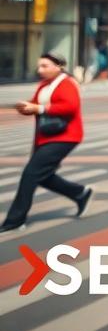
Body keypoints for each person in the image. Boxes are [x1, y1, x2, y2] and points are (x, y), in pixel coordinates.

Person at [1, 53, 94, 232]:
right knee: (42, 175)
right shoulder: (45, 84)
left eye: (45, 66)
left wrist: (40, 108)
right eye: (39, 66)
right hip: (46, 136)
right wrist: (26, 107)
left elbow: (70, 106)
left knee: (30, 174)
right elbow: (36, 104)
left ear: (58, 66)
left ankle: (15, 220)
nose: (40, 70)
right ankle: (80, 193)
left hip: (65, 136)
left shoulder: (67, 83)